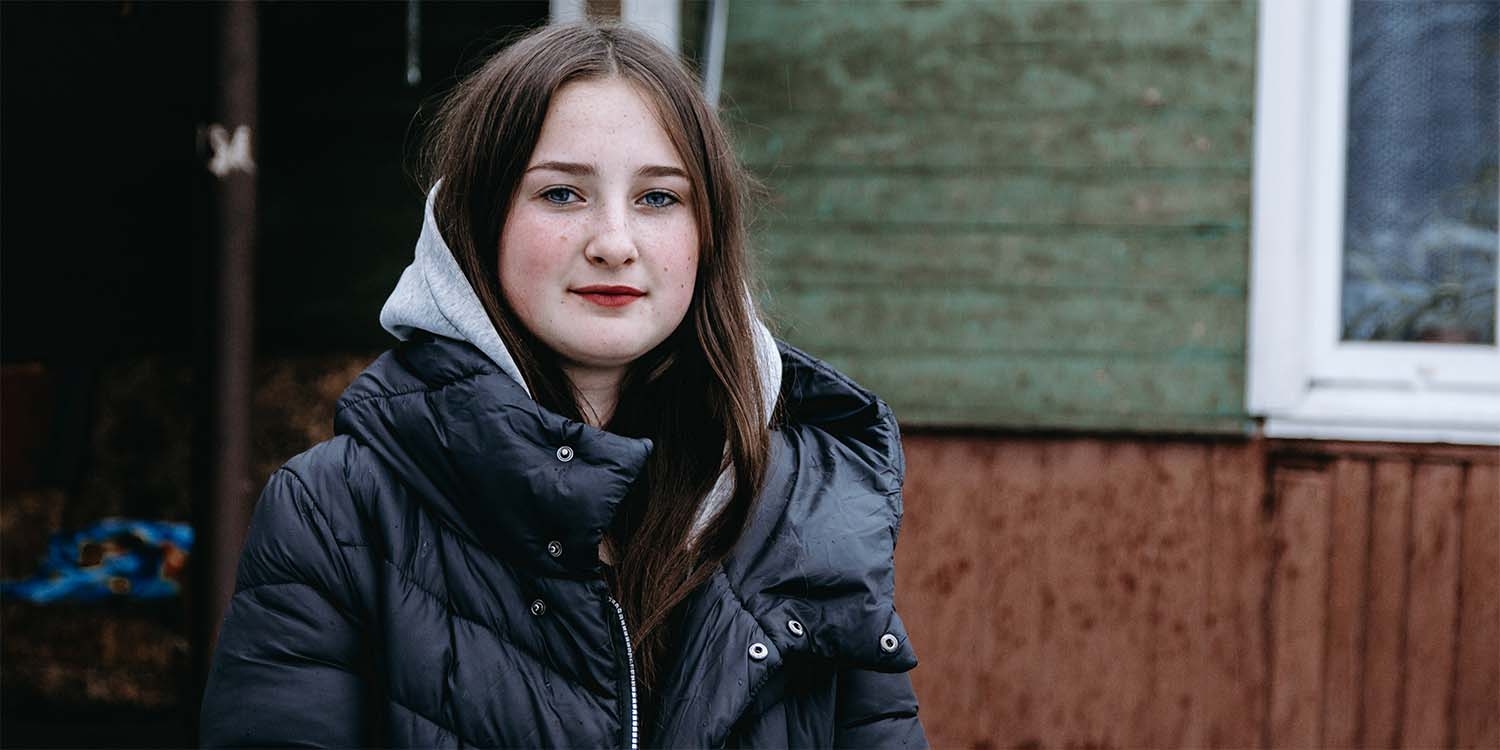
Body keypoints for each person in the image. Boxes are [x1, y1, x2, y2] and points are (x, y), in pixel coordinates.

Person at [200, 23, 925, 749]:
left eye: (658, 199)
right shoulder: (337, 513)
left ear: (710, 234)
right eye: (561, 193)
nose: (613, 241)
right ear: (478, 223)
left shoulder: (809, 511)